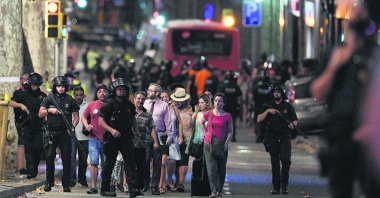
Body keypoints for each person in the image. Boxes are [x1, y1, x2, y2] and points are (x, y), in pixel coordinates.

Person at [311, 3, 380, 197]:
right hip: (340, 135)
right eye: (353, 14)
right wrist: (335, 65)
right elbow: (317, 91)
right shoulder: (336, 54)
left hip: (369, 137)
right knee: (340, 190)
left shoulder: (374, 54)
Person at [98, 78, 140, 197]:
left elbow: (133, 120)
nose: (122, 91)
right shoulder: (109, 104)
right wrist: (111, 130)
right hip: (112, 138)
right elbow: (100, 121)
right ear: (114, 90)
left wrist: (136, 133)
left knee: (130, 163)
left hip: (126, 137)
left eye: (124, 89)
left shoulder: (130, 105)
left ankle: (133, 189)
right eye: (119, 89)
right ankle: (104, 189)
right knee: (109, 163)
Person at [38, 76, 79, 193]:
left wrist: (72, 127)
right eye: (58, 86)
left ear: (66, 87)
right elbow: (40, 114)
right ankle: (49, 182)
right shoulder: (49, 98)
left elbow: (76, 117)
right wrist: (50, 111)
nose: (61, 88)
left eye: (62, 86)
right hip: (51, 132)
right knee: (49, 157)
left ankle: (66, 184)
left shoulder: (70, 99)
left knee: (66, 158)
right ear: (55, 87)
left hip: (65, 133)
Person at [257, 83, 297, 195]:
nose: (276, 94)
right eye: (274, 92)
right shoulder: (267, 105)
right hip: (272, 138)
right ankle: (276, 188)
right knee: (275, 164)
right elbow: (259, 119)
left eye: (278, 92)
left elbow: (295, 120)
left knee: (285, 161)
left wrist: (292, 125)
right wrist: (268, 111)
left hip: (285, 137)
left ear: (282, 93)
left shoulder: (288, 106)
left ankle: (284, 186)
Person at [9, 73, 47, 179]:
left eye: (36, 84)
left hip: (39, 126)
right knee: (29, 149)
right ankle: (31, 172)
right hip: (26, 126)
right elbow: (10, 102)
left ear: (39, 84)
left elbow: (48, 108)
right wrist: (20, 105)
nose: (35, 86)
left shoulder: (43, 96)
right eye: (33, 84)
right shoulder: (22, 94)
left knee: (38, 148)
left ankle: (34, 168)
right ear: (30, 83)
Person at [201, 93, 233, 198]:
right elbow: (202, 123)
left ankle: (219, 191)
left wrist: (226, 143)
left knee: (221, 169)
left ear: (223, 103)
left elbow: (230, 131)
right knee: (211, 169)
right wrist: (206, 133)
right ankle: (214, 191)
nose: (217, 103)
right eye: (216, 100)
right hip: (208, 144)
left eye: (220, 101)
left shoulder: (227, 116)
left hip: (221, 145)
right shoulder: (208, 113)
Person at [143, 83, 173, 195]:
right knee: (145, 161)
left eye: (151, 91)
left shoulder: (164, 105)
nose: (149, 92)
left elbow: (168, 121)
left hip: (159, 135)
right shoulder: (144, 103)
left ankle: (154, 186)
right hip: (145, 135)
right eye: (149, 90)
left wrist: (170, 135)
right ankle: (145, 183)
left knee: (157, 162)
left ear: (157, 93)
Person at [82, 84, 108, 194]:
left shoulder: (111, 104)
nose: (102, 93)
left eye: (104, 91)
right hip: (94, 138)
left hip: (108, 139)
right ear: (97, 94)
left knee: (106, 164)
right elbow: (83, 116)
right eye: (100, 91)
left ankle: (106, 186)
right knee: (93, 162)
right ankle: (93, 186)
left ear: (107, 93)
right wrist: (87, 125)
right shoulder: (92, 105)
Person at [133, 91, 159, 193]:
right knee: (132, 164)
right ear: (134, 99)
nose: (140, 101)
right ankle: (132, 185)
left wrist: (156, 142)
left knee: (144, 164)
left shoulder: (147, 114)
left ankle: (143, 184)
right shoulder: (129, 111)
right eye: (138, 98)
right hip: (131, 143)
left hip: (145, 142)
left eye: (142, 99)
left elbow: (152, 128)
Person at [170, 88, 192, 192]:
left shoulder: (190, 109)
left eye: (181, 99)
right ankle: (176, 180)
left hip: (186, 138)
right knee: (174, 162)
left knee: (183, 161)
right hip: (173, 138)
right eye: (177, 99)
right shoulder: (171, 107)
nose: (179, 101)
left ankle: (181, 183)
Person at [70, 86, 89, 188]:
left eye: (80, 95)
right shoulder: (70, 104)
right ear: (74, 95)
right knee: (72, 159)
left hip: (85, 137)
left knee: (83, 160)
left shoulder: (88, 106)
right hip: (72, 136)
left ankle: (82, 179)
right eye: (76, 95)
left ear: (83, 95)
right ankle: (72, 179)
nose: (78, 97)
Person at [218, 71, 242, 142]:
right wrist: (239, 106)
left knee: (223, 121)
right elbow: (240, 97)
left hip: (224, 107)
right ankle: (233, 137)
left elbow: (219, 96)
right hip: (233, 107)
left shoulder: (223, 86)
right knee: (232, 122)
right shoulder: (236, 86)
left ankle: (223, 136)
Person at [12, 73, 29, 175]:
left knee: (29, 144)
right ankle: (20, 167)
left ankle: (26, 167)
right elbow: (11, 102)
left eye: (28, 79)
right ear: (21, 80)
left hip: (30, 121)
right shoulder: (18, 92)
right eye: (24, 79)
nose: (26, 81)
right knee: (22, 142)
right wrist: (20, 105)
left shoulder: (30, 91)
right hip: (21, 120)